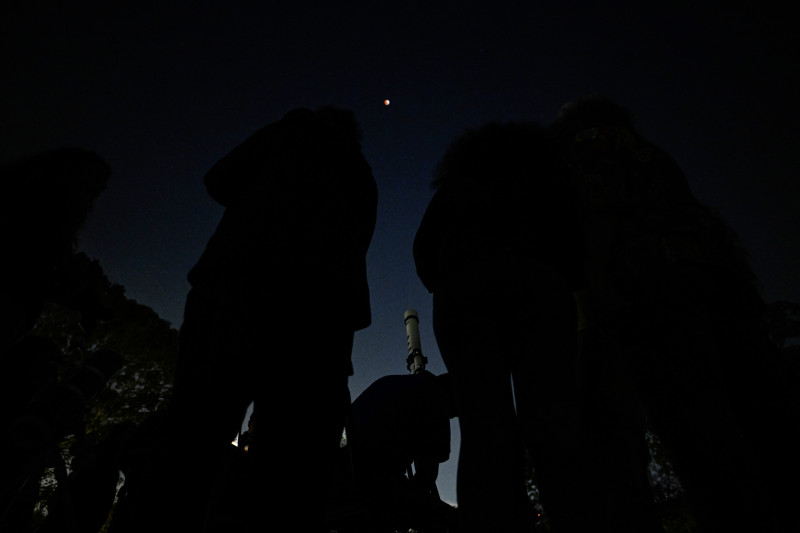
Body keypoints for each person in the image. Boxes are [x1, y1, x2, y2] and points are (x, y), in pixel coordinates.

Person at [546, 94, 796, 532]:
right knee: (765, 426)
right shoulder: (653, 154)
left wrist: (601, 297)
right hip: (721, 285)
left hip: (656, 293)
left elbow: (600, 215)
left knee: (700, 434)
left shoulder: (591, 146)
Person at [128, 106, 378, 533]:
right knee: (295, 469)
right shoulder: (362, 173)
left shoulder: (288, 134)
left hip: (238, 286)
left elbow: (220, 179)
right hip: (323, 316)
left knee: (193, 438)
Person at [414, 121, 596, 532]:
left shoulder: (454, 188)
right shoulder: (543, 178)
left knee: (483, 427)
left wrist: (446, 279)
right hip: (537, 283)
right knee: (554, 424)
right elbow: (574, 237)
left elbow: (423, 248)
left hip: (461, 291)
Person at [344, 370, 457, 531]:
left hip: (342, 472)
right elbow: (426, 477)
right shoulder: (436, 399)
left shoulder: (394, 382)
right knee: (449, 520)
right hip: (368, 482)